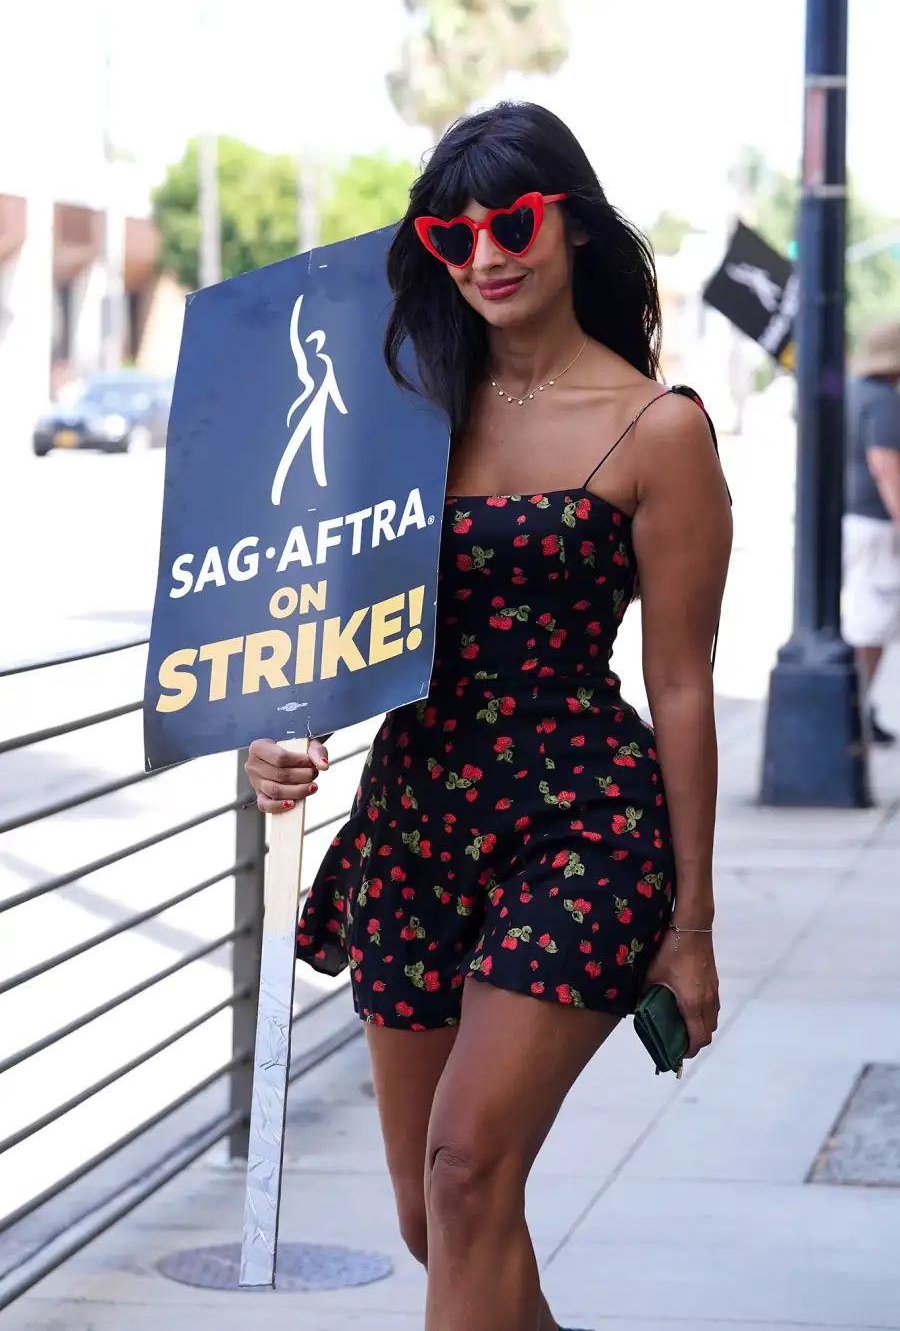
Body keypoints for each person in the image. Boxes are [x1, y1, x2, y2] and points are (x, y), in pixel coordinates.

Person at [245, 101, 732, 1331]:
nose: (485, 254)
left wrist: (692, 921)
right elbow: (322, 618)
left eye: (511, 222)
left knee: (467, 1170)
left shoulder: (656, 430)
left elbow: (681, 682)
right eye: (450, 235)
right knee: (434, 1212)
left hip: (581, 829)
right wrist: (281, 731)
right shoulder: (402, 414)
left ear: (570, 225)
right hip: (415, 821)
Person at [843, 318, 900, 745]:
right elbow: (886, 465)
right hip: (876, 524)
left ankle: (857, 708)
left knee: (866, 613)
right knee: (872, 620)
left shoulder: (849, 394)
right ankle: (855, 710)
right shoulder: (883, 401)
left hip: (850, 518)